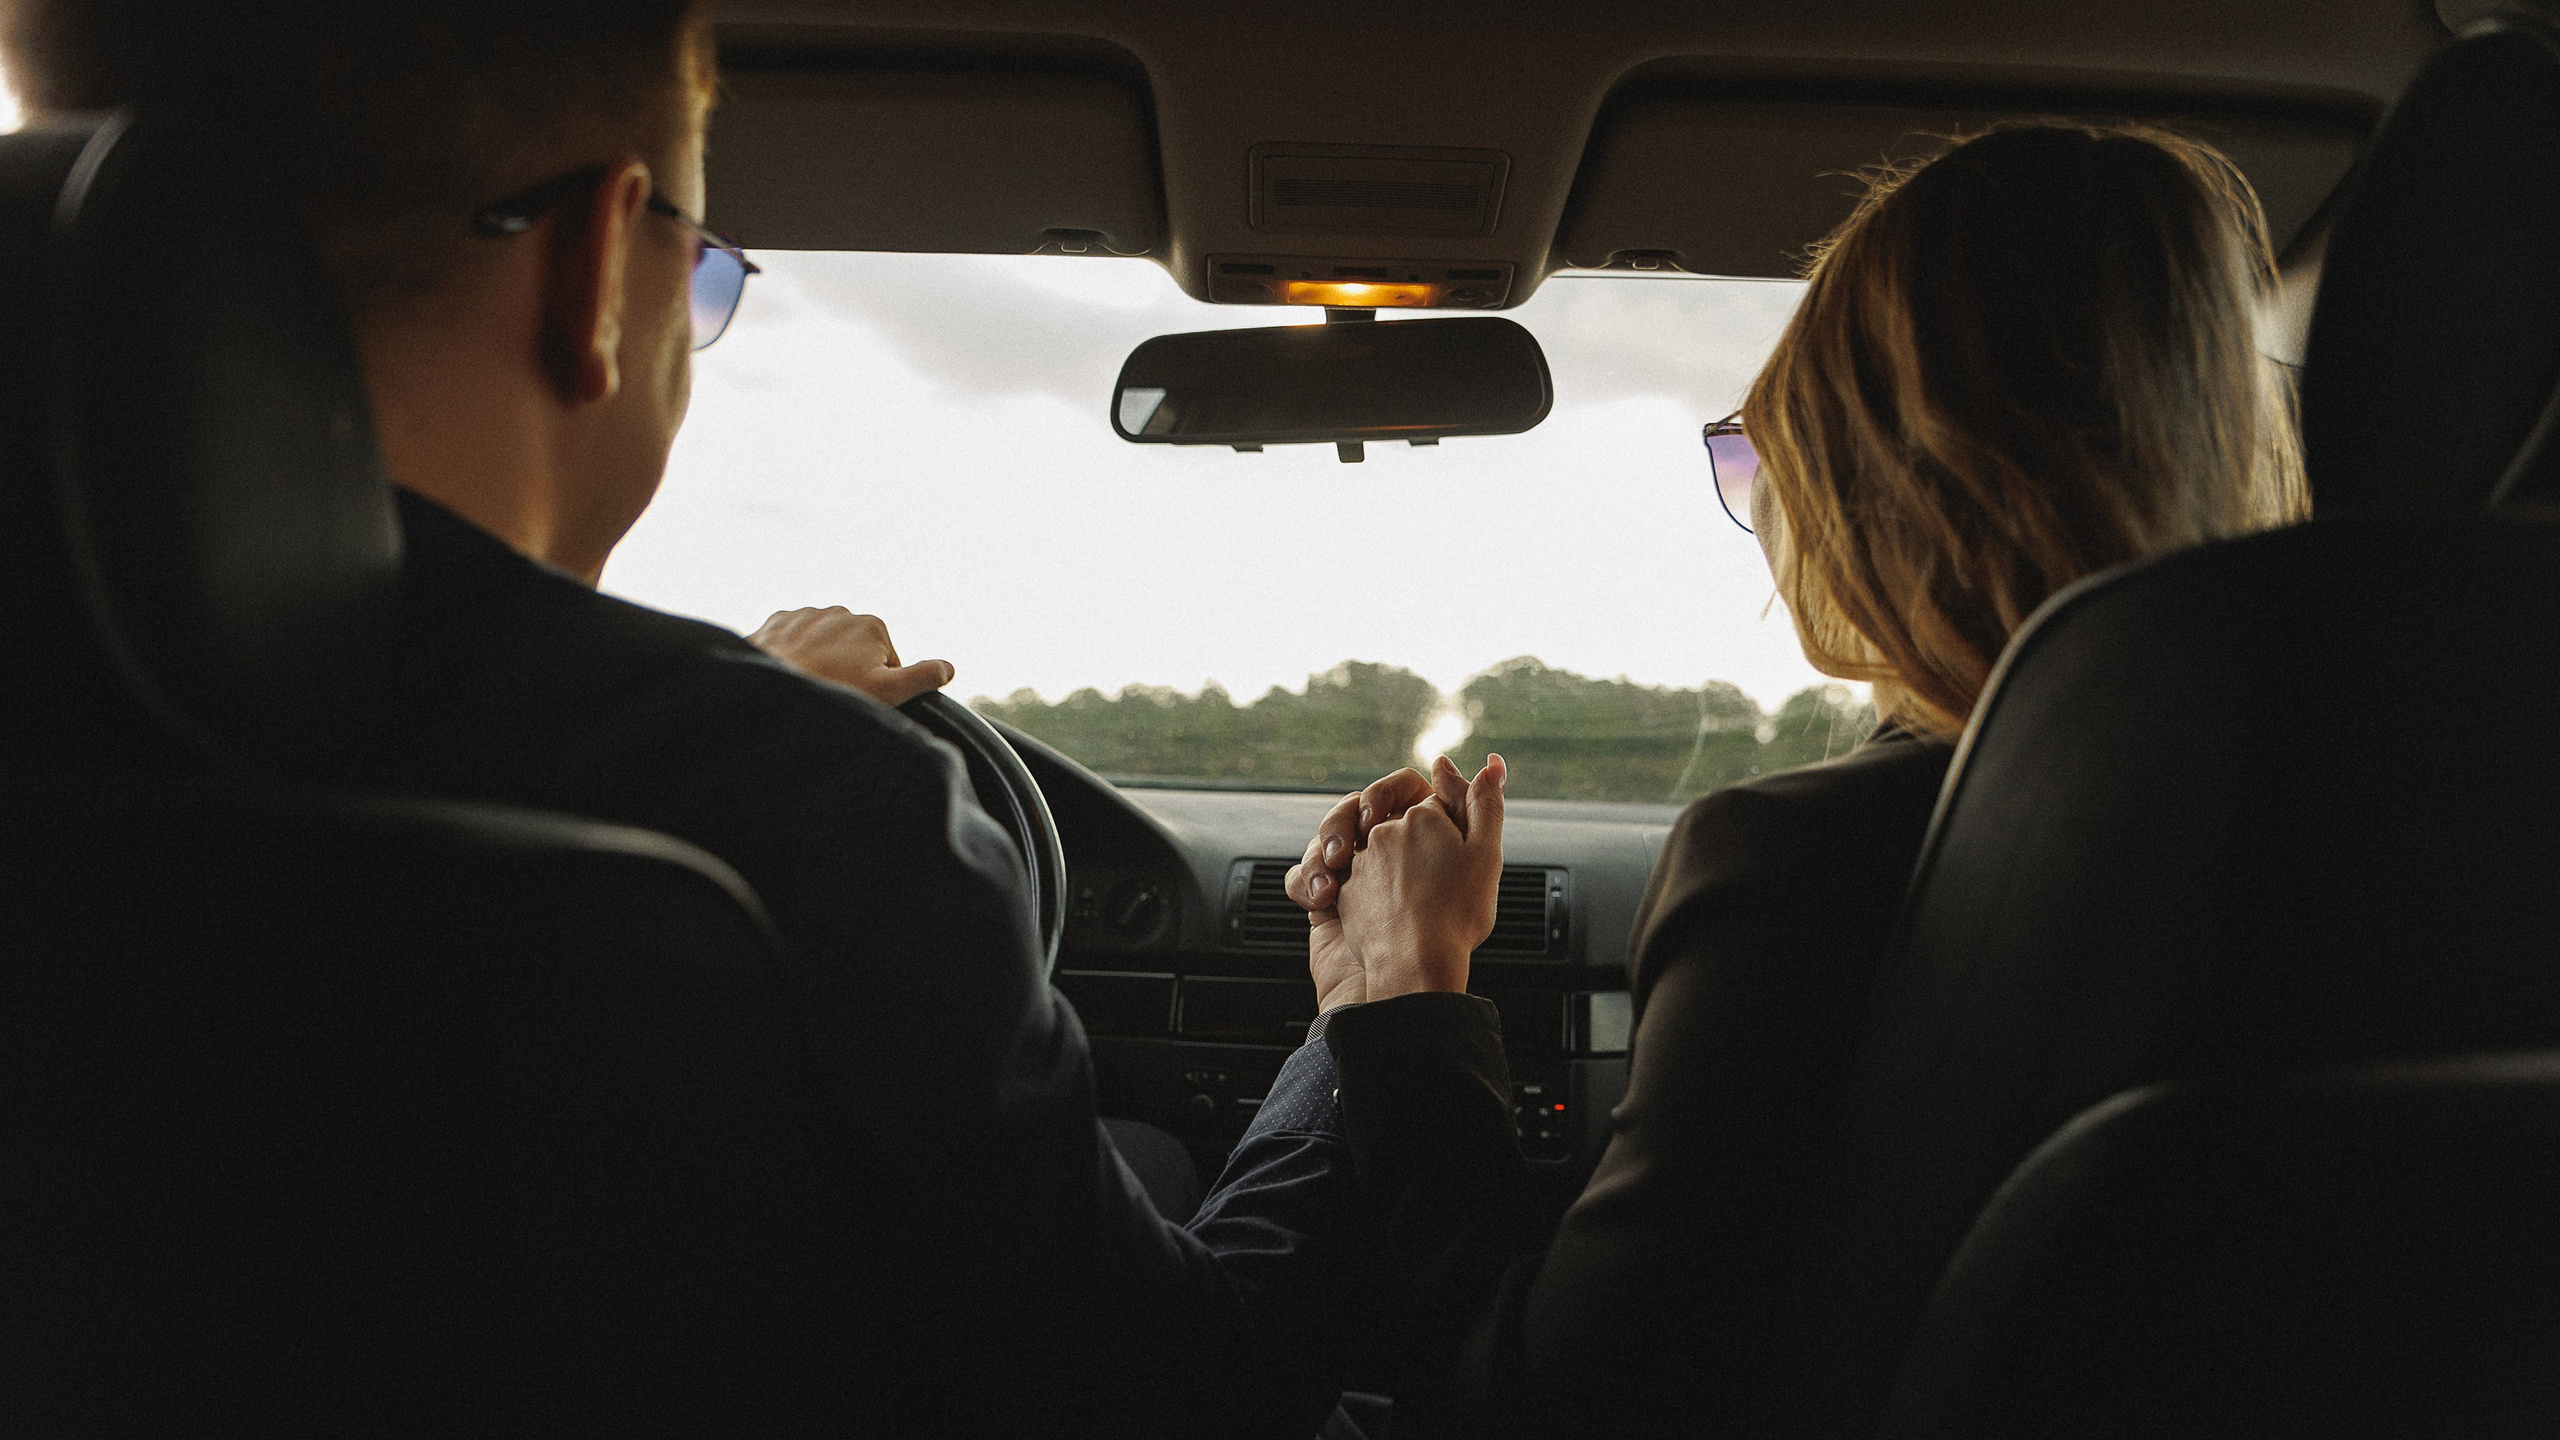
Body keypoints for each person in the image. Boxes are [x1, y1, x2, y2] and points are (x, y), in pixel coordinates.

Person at [0, 2, 1509, 1435]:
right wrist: (1380, 1003)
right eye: (703, 261)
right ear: (600, 263)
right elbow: (1185, 1397)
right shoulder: (807, 811)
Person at [1287, 122, 2307, 1437]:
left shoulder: (1800, 865)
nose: (1770, 514)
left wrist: (1416, 983)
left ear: (1879, 479)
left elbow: (1532, 1405)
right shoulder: (2397, 820)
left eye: (1766, 457)